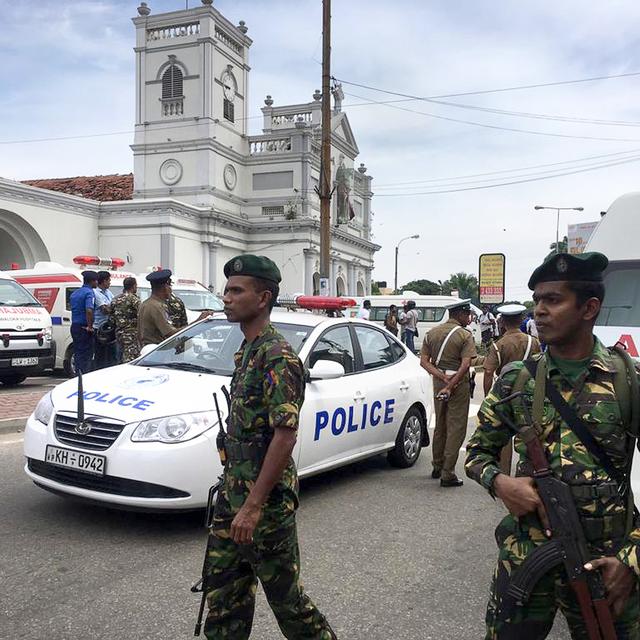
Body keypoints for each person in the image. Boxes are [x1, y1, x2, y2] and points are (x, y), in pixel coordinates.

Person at [466, 252, 640, 639]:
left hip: (605, 559)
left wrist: (632, 560)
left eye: (554, 300)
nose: (539, 311)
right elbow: (477, 453)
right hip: (527, 557)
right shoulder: (516, 381)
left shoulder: (628, 380)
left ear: (589, 308)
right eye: (537, 300)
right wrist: (501, 483)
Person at [203, 254, 336, 640]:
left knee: (288, 603)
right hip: (233, 496)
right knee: (224, 596)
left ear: (262, 298)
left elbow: (285, 434)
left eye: (235, 290)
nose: (225, 297)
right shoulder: (248, 351)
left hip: (264, 506)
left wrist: (253, 506)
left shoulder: (277, 356)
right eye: (226, 289)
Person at [420, 299, 477, 487]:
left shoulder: (431, 333)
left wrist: (441, 378)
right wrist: (451, 383)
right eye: (467, 314)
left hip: (439, 381)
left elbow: (424, 362)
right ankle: (448, 473)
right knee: (456, 426)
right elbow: (466, 364)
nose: (469, 318)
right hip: (457, 383)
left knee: (440, 423)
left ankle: (437, 465)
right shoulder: (464, 335)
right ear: (460, 314)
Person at [483, 303, 542, 475]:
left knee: (504, 436)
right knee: (530, 433)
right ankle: (529, 473)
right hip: (529, 393)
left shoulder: (498, 345)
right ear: (522, 319)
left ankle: (503, 474)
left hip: (505, 393)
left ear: (502, 322)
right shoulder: (534, 342)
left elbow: (488, 372)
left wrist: (489, 396)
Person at [138, 270, 180, 347]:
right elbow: (171, 333)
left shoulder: (147, 303)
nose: (171, 289)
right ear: (165, 287)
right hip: (157, 351)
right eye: (169, 285)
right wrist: (196, 323)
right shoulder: (156, 306)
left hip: (150, 350)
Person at [69, 270, 97, 374]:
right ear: (92, 281)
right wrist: (90, 326)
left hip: (75, 326)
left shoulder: (75, 293)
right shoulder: (89, 293)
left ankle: (78, 375)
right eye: (96, 281)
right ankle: (84, 376)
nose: (97, 283)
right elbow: (89, 310)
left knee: (78, 353)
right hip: (84, 327)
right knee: (86, 355)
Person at [110, 276, 140, 363]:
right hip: (131, 334)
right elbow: (141, 314)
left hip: (119, 333)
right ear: (133, 286)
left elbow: (111, 318)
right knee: (130, 359)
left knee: (119, 358)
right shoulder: (134, 299)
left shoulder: (115, 299)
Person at [93, 270, 116, 369]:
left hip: (109, 327)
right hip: (100, 328)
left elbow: (114, 304)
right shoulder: (96, 293)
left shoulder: (108, 292)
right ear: (103, 281)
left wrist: (112, 307)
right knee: (100, 355)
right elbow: (105, 310)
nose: (110, 282)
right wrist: (112, 308)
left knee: (110, 355)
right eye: (108, 280)